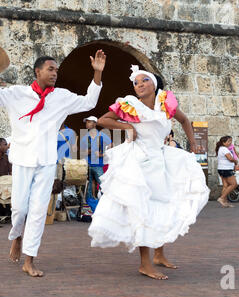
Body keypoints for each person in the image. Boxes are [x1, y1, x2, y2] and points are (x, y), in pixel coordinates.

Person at [0, 50, 106, 276]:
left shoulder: (61, 97)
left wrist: (97, 74)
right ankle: (16, 236)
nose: (55, 73)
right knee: (19, 208)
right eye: (50, 69)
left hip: (45, 161)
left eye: (56, 70)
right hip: (22, 160)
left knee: (37, 211)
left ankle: (29, 259)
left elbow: (89, 101)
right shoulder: (17, 94)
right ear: (38, 71)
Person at [88, 65, 210, 280]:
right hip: (139, 160)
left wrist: (193, 143)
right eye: (136, 83)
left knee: (164, 203)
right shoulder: (130, 104)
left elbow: (184, 120)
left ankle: (159, 254)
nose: (139, 85)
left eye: (144, 80)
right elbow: (102, 120)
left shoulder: (165, 103)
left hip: (160, 158)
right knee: (142, 208)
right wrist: (127, 127)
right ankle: (145, 263)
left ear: (154, 83)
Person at [80, 116, 112, 200]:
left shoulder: (101, 135)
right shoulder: (85, 136)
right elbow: (82, 150)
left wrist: (102, 154)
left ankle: (105, 201)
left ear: (94, 124)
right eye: (86, 122)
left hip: (98, 164)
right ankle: (90, 203)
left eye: (89, 122)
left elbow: (111, 145)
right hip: (87, 164)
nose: (86, 124)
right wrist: (86, 152)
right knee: (89, 186)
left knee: (102, 184)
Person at [216, 136, 238, 208]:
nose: (230, 143)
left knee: (225, 185)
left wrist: (233, 149)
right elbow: (230, 159)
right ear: (223, 142)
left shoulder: (222, 149)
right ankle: (222, 198)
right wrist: (235, 161)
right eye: (228, 141)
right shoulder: (224, 149)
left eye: (231, 141)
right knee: (234, 184)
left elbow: (235, 155)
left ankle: (224, 203)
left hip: (222, 169)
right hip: (226, 169)